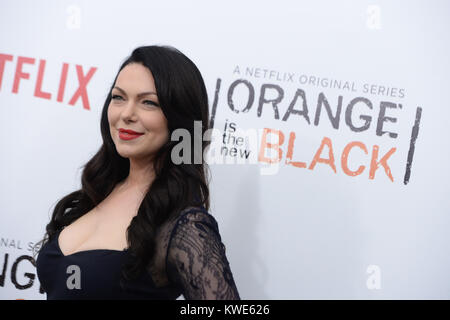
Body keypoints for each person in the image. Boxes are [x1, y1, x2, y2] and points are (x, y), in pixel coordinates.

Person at [33, 45, 240, 300]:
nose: (127, 114)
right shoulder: (98, 193)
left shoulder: (185, 225)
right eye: (118, 97)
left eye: (148, 103)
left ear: (179, 119)